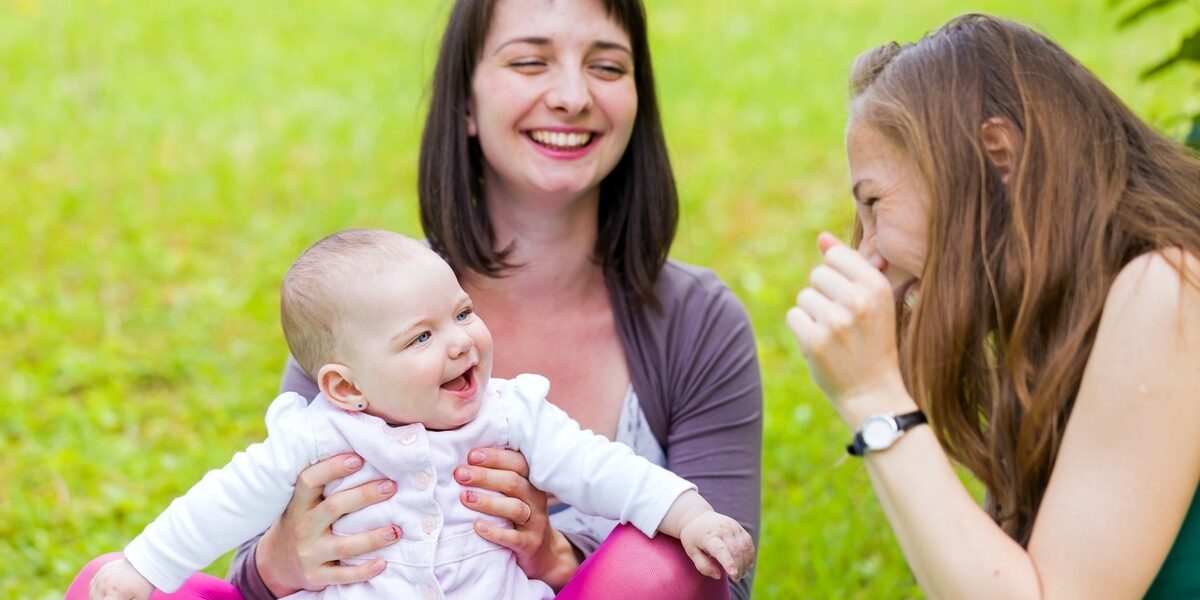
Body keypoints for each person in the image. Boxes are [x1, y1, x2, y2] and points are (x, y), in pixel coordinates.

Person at [67, 0, 761, 596]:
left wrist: (554, 557)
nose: (573, 96)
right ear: (465, 101)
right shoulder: (365, 307)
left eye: (608, 66)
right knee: (106, 585)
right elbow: (234, 505)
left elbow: (712, 571)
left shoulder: (673, 335)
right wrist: (275, 566)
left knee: (654, 565)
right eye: (529, 62)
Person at [86, 229, 755, 600]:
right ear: (346, 386)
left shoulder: (511, 414)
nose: (461, 340)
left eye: (462, 312)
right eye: (421, 338)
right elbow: (221, 502)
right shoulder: (319, 435)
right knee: (101, 585)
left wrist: (689, 513)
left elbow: (606, 470)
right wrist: (143, 568)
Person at [787, 13, 1200, 599]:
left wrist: (874, 398)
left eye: (875, 203)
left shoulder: (1169, 289)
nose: (869, 257)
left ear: (997, 160)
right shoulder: (1058, 320)